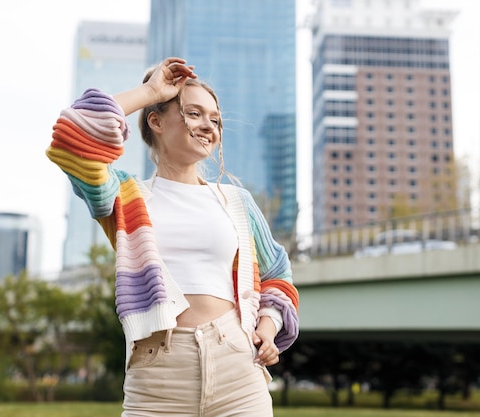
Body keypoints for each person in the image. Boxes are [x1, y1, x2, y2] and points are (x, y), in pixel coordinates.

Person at [46, 57, 300, 416]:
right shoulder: (125, 196)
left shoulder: (236, 201)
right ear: (156, 121)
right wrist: (151, 91)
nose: (208, 126)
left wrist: (268, 329)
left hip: (238, 369)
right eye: (194, 113)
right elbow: (72, 138)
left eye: (215, 119)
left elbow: (278, 274)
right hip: (158, 376)